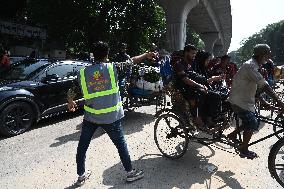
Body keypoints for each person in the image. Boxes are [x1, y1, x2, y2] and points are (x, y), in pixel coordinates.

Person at [67, 41, 156, 186]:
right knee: (121, 145)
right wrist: (146, 54)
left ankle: (81, 176)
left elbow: (72, 90)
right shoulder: (112, 68)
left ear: (93, 55)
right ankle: (130, 173)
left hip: (91, 118)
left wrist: (70, 101)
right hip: (111, 118)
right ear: (106, 55)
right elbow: (132, 61)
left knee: (82, 146)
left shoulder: (83, 73)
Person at [227, 44, 284, 159]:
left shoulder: (255, 66)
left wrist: (264, 102)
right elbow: (264, 85)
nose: (269, 56)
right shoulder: (250, 66)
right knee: (252, 122)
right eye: (268, 54)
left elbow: (255, 87)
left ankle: (232, 135)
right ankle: (243, 149)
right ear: (261, 54)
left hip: (245, 99)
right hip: (239, 100)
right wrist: (278, 101)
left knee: (254, 120)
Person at [173, 44, 224, 129]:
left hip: (192, 88)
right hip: (183, 89)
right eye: (192, 53)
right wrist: (200, 85)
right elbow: (185, 80)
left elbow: (197, 77)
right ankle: (197, 118)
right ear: (186, 53)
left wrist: (206, 83)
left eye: (195, 54)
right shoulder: (179, 64)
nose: (194, 56)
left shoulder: (189, 65)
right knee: (200, 94)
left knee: (214, 95)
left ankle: (209, 119)